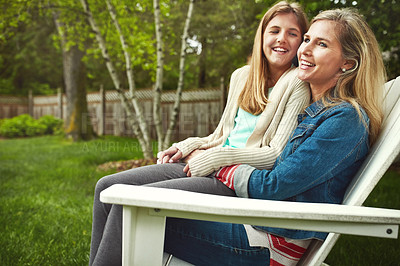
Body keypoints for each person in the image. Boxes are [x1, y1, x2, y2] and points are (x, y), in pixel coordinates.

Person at [89, 2, 310, 265]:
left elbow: (274, 154)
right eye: (274, 30)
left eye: (292, 33)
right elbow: (220, 135)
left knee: (132, 202)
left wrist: (215, 159)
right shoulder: (242, 77)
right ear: (262, 36)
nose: (281, 39)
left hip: (234, 181)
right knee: (107, 186)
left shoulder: (298, 82)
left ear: (301, 42)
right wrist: (187, 146)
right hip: (210, 165)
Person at [164, 8, 386, 266]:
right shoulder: (314, 112)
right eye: (307, 40)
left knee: (136, 213)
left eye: (321, 44)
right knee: (129, 208)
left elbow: (273, 186)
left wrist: (217, 166)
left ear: (347, 63)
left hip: (272, 243)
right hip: (254, 222)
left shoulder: (344, 120)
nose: (305, 50)